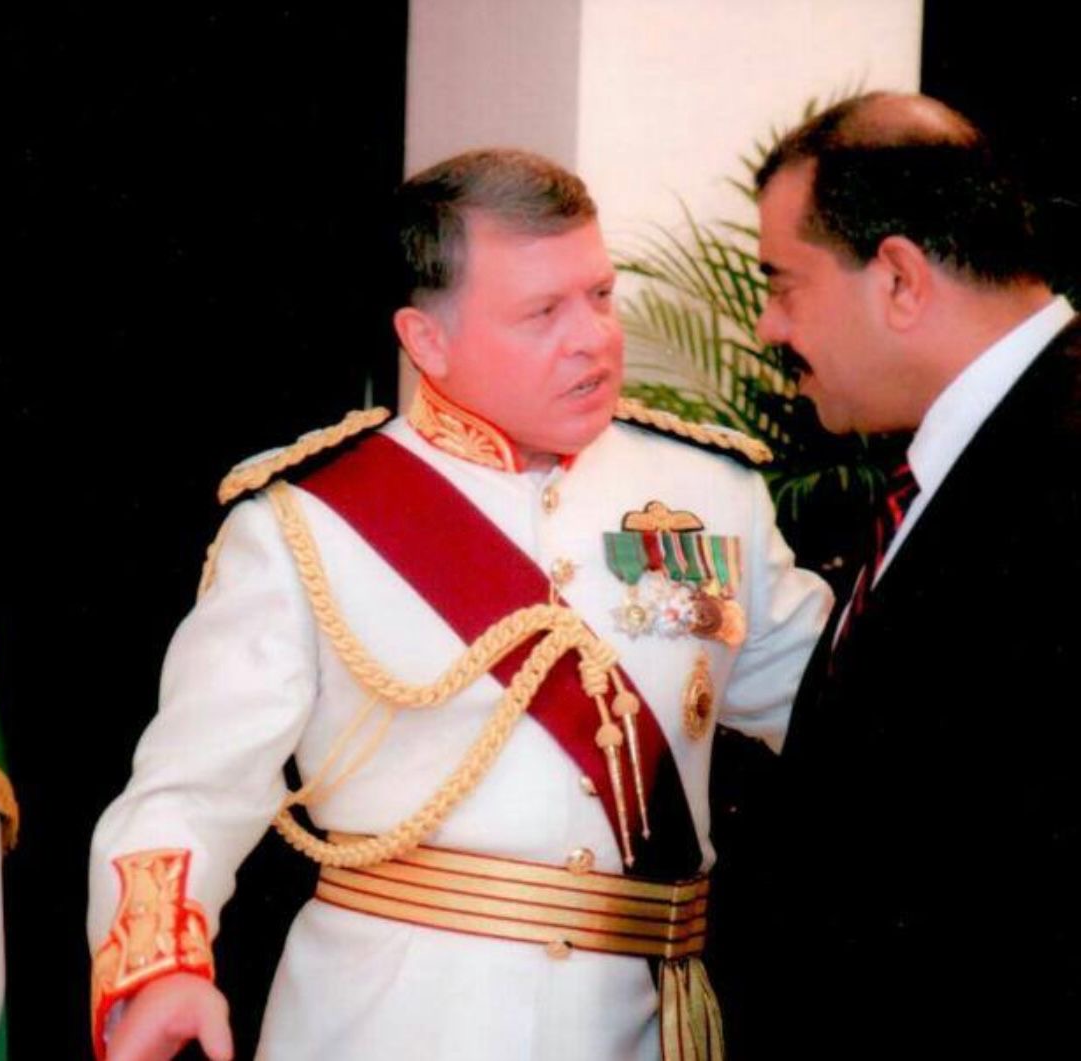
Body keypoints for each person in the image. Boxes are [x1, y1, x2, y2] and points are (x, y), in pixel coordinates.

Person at [87, 147, 830, 1061]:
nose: (592, 337)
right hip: (394, 1025)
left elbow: (852, 715)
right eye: (541, 313)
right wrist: (160, 969)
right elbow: (188, 790)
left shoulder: (710, 491)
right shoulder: (310, 521)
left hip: (644, 1025)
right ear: (425, 340)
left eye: (599, 295)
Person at [743, 92, 1081, 1058]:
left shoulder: (1059, 468)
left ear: (897, 277)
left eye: (784, 285)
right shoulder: (971, 460)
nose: (767, 327)